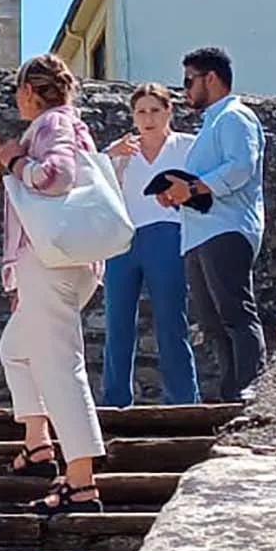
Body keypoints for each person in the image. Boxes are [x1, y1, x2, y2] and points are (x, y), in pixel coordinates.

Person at [0, 54, 106, 515]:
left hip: (51, 263)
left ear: (30, 92)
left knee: (60, 364)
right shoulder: (69, 123)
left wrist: (17, 161)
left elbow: (55, 176)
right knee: (15, 349)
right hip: (61, 262)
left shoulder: (51, 126)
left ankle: (80, 482)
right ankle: (39, 443)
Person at [157, 46, 267, 403]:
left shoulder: (235, 117)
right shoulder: (213, 124)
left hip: (228, 227)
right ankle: (231, 392)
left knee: (234, 312)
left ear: (212, 79)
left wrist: (191, 187)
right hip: (202, 231)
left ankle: (249, 390)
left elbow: (240, 167)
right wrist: (177, 193)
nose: (185, 89)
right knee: (213, 323)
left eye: (189, 81)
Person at [101, 83, 201, 407]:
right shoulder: (121, 152)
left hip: (167, 233)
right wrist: (110, 157)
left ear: (169, 111)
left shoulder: (187, 146)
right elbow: (95, 186)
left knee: (172, 318)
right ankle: (115, 400)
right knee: (117, 322)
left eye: (155, 110)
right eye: (141, 111)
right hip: (124, 239)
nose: (148, 118)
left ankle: (183, 400)